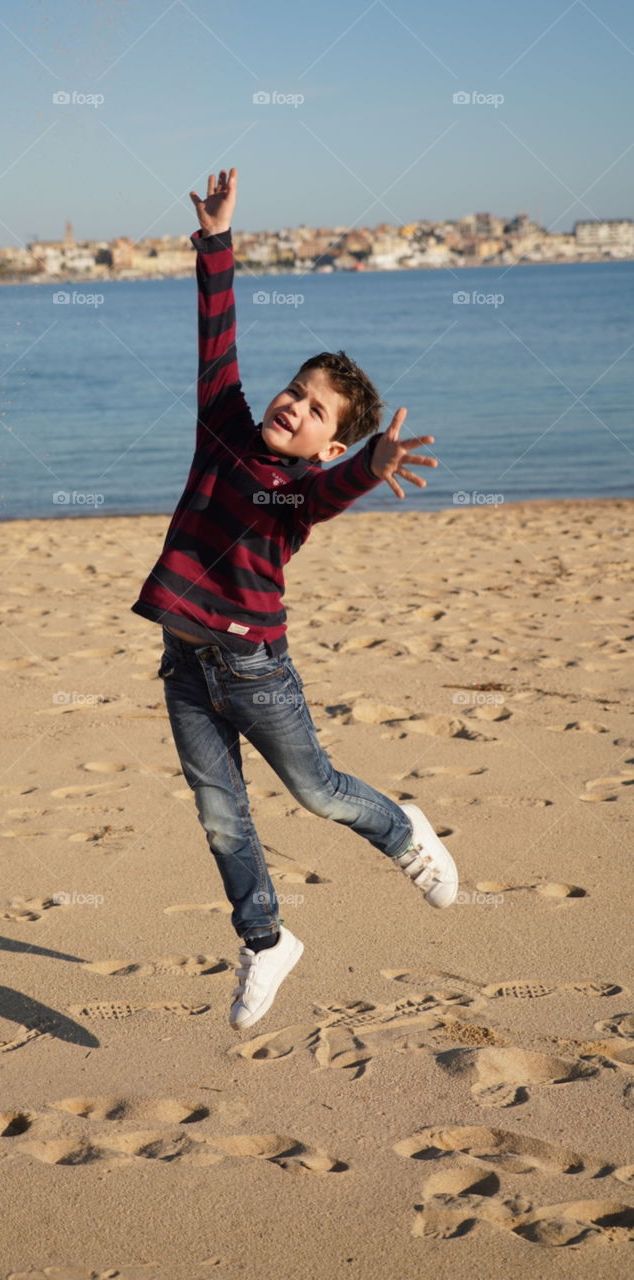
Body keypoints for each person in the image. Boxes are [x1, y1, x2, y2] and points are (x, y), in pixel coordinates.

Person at [131, 166, 457, 1032]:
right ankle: (266, 941)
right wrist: (213, 241)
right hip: (183, 662)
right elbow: (215, 335)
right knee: (219, 819)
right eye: (294, 389)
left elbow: (324, 495)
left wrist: (368, 468)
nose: (294, 405)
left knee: (315, 792)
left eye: (315, 410)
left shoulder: (298, 492)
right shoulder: (223, 428)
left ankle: (400, 831)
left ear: (328, 442)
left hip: (253, 668)